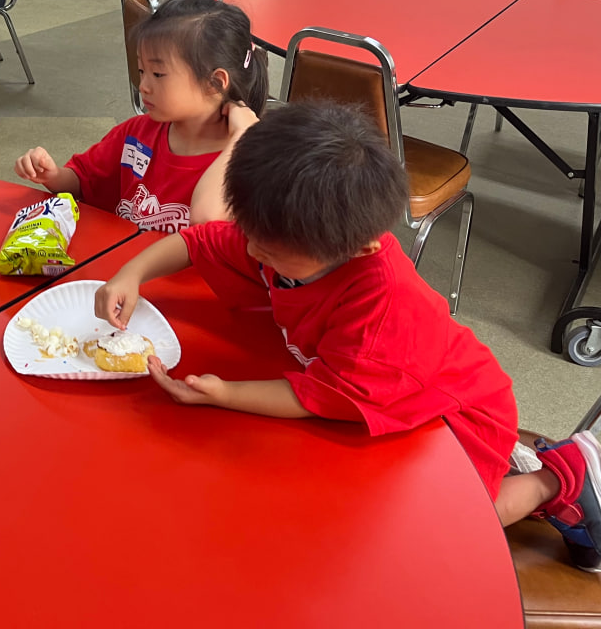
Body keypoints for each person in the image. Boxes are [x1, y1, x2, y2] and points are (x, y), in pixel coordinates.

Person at [93, 100, 601, 570]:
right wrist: (132, 273)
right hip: (377, 381)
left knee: (450, 529)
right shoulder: (287, 233)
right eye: (250, 233)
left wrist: (224, 393)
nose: (251, 249)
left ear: (358, 249)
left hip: (456, 411)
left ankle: (558, 476)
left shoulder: (379, 313)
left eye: (269, 249)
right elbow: (200, 240)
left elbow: (320, 396)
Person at [14, 0, 267, 233]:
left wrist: (241, 138)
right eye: (141, 70)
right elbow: (82, 181)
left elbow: (206, 225)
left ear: (214, 83)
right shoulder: (136, 135)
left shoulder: (251, 163)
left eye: (158, 74)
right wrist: (53, 176)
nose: (143, 85)